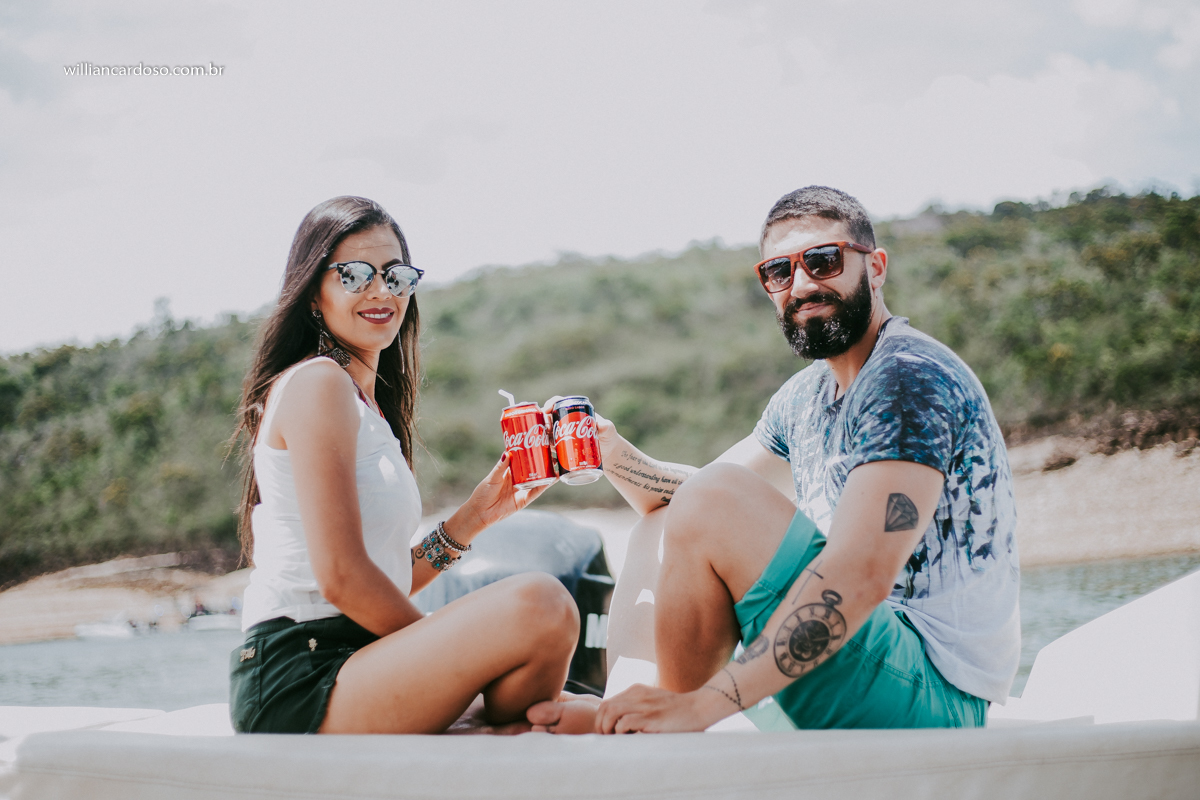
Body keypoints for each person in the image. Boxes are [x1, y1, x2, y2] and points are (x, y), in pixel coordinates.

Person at [528, 185, 1019, 733]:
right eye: (779, 272)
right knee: (664, 519)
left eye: (824, 260)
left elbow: (862, 573)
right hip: (858, 661)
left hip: (931, 696)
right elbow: (694, 502)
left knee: (709, 499)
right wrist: (614, 455)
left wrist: (706, 704)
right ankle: (631, 714)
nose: (803, 284)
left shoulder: (907, 378)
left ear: (875, 267)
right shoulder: (805, 396)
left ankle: (671, 724)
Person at [229, 196, 578, 735]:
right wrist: (450, 658)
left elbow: (380, 578)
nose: (380, 290)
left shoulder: (368, 408)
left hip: (362, 660)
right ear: (313, 295)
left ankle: (501, 730)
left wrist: (473, 519)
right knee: (541, 603)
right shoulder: (318, 384)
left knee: (552, 668)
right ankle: (488, 722)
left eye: (396, 275)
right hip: (302, 671)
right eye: (354, 274)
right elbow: (342, 579)